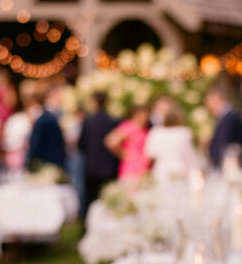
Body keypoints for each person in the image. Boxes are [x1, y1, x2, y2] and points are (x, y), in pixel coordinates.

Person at [77, 91, 119, 222]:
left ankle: (87, 225)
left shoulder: (88, 121)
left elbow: (81, 144)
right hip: (108, 167)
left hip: (92, 166)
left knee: (90, 200)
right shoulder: (112, 121)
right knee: (108, 199)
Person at [144, 98, 200, 181]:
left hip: (160, 172)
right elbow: (189, 156)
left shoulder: (156, 132)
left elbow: (149, 154)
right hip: (180, 171)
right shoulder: (184, 133)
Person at [206, 79, 242, 169]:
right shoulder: (223, 117)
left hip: (228, 167)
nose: (206, 102)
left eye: (208, 98)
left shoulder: (230, 117)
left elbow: (225, 145)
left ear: (217, 97)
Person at [104, 104, 152, 180]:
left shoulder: (145, 129)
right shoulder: (129, 126)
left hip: (144, 170)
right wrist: (122, 153)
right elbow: (110, 141)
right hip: (131, 170)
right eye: (144, 115)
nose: (146, 118)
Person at [26, 86, 67, 172]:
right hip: (53, 161)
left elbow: (35, 144)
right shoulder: (49, 119)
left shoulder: (44, 120)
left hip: (47, 162)